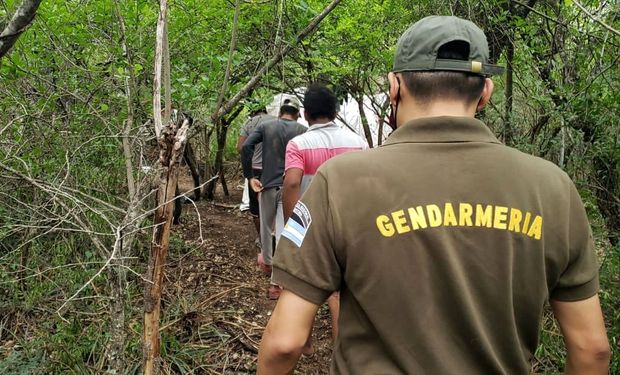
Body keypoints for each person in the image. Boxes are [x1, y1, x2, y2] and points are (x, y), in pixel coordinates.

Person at [258, 15, 610, 374]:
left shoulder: (342, 182)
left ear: (395, 86)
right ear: (486, 92)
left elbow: (286, 343)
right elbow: (592, 350)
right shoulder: (552, 187)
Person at [281, 83, 368, 353]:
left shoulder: (298, 144)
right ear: (335, 111)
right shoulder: (357, 142)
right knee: (341, 290)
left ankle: (304, 342)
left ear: (306, 114)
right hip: (351, 222)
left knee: (302, 285)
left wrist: (291, 226)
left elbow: (292, 183)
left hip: (311, 225)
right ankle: (341, 346)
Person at [241, 98, 306, 299]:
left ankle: (269, 264)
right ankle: (279, 280)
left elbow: (245, 147)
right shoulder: (303, 130)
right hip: (292, 186)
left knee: (266, 227)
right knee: (285, 229)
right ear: (297, 114)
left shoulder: (267, 126)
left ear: (280, 113)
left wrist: (250, 176)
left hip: (267, 184)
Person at [237, 107, 276, 248]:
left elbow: (241, 147)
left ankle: (262, 239)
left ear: (253, 112)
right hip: (275, 169)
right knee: (274, 204)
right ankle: (274, 236)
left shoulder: (250, 123)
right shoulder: (277, 121)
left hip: (256, 169)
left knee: (256, 207)